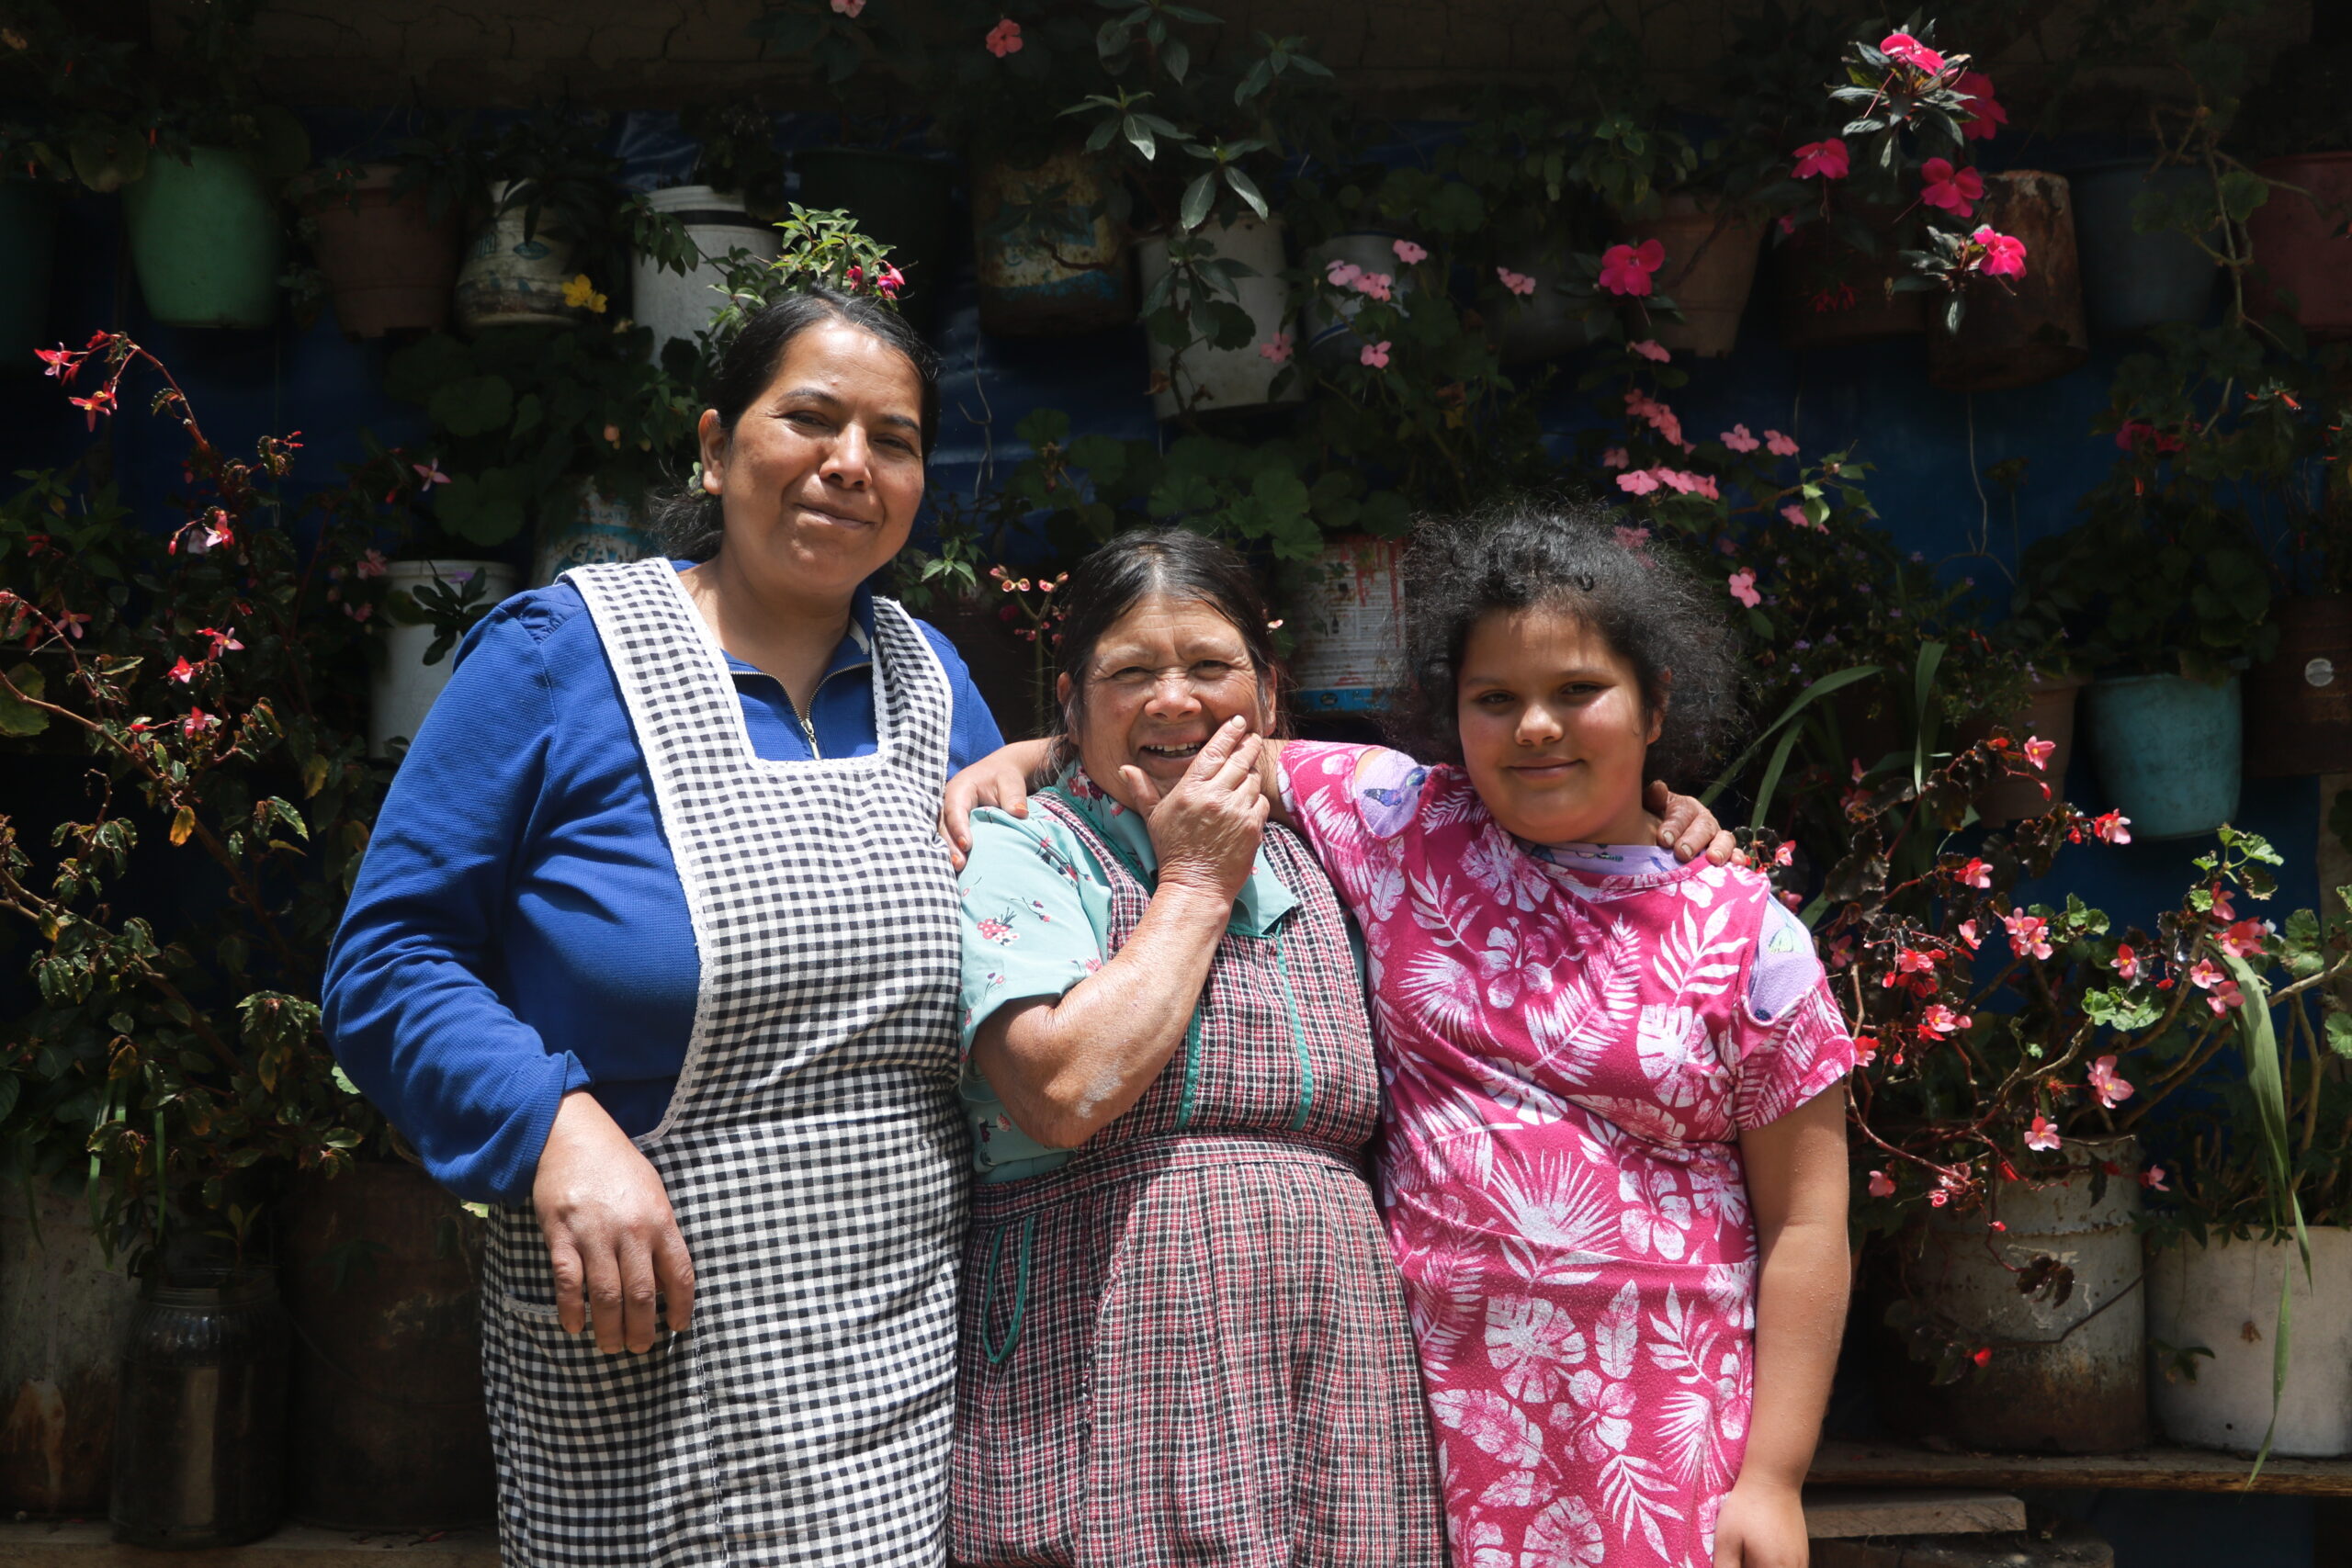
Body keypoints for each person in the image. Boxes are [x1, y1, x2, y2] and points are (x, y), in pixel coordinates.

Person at [947, 506, 1851, 1568]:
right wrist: (1023, 758)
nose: (1536, 728)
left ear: (1655, 706)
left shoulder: (1748, 936)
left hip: (1667, 1419)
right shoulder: (1403, 823)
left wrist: (1775, 1479)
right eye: (1494, 700)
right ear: (1450, 715)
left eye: (1579, 692)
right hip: (1436, 1419)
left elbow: (1808, 1225)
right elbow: (1176, 735)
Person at [323, 289, 1004, 1565]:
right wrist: (553, 1123)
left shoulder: (938, 683)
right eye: (809, 417)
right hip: (643, 1346)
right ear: (712, 444)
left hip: (889, 1351)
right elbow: (386, 962)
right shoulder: (562, 655)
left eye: (894, 439)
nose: (849, 463)